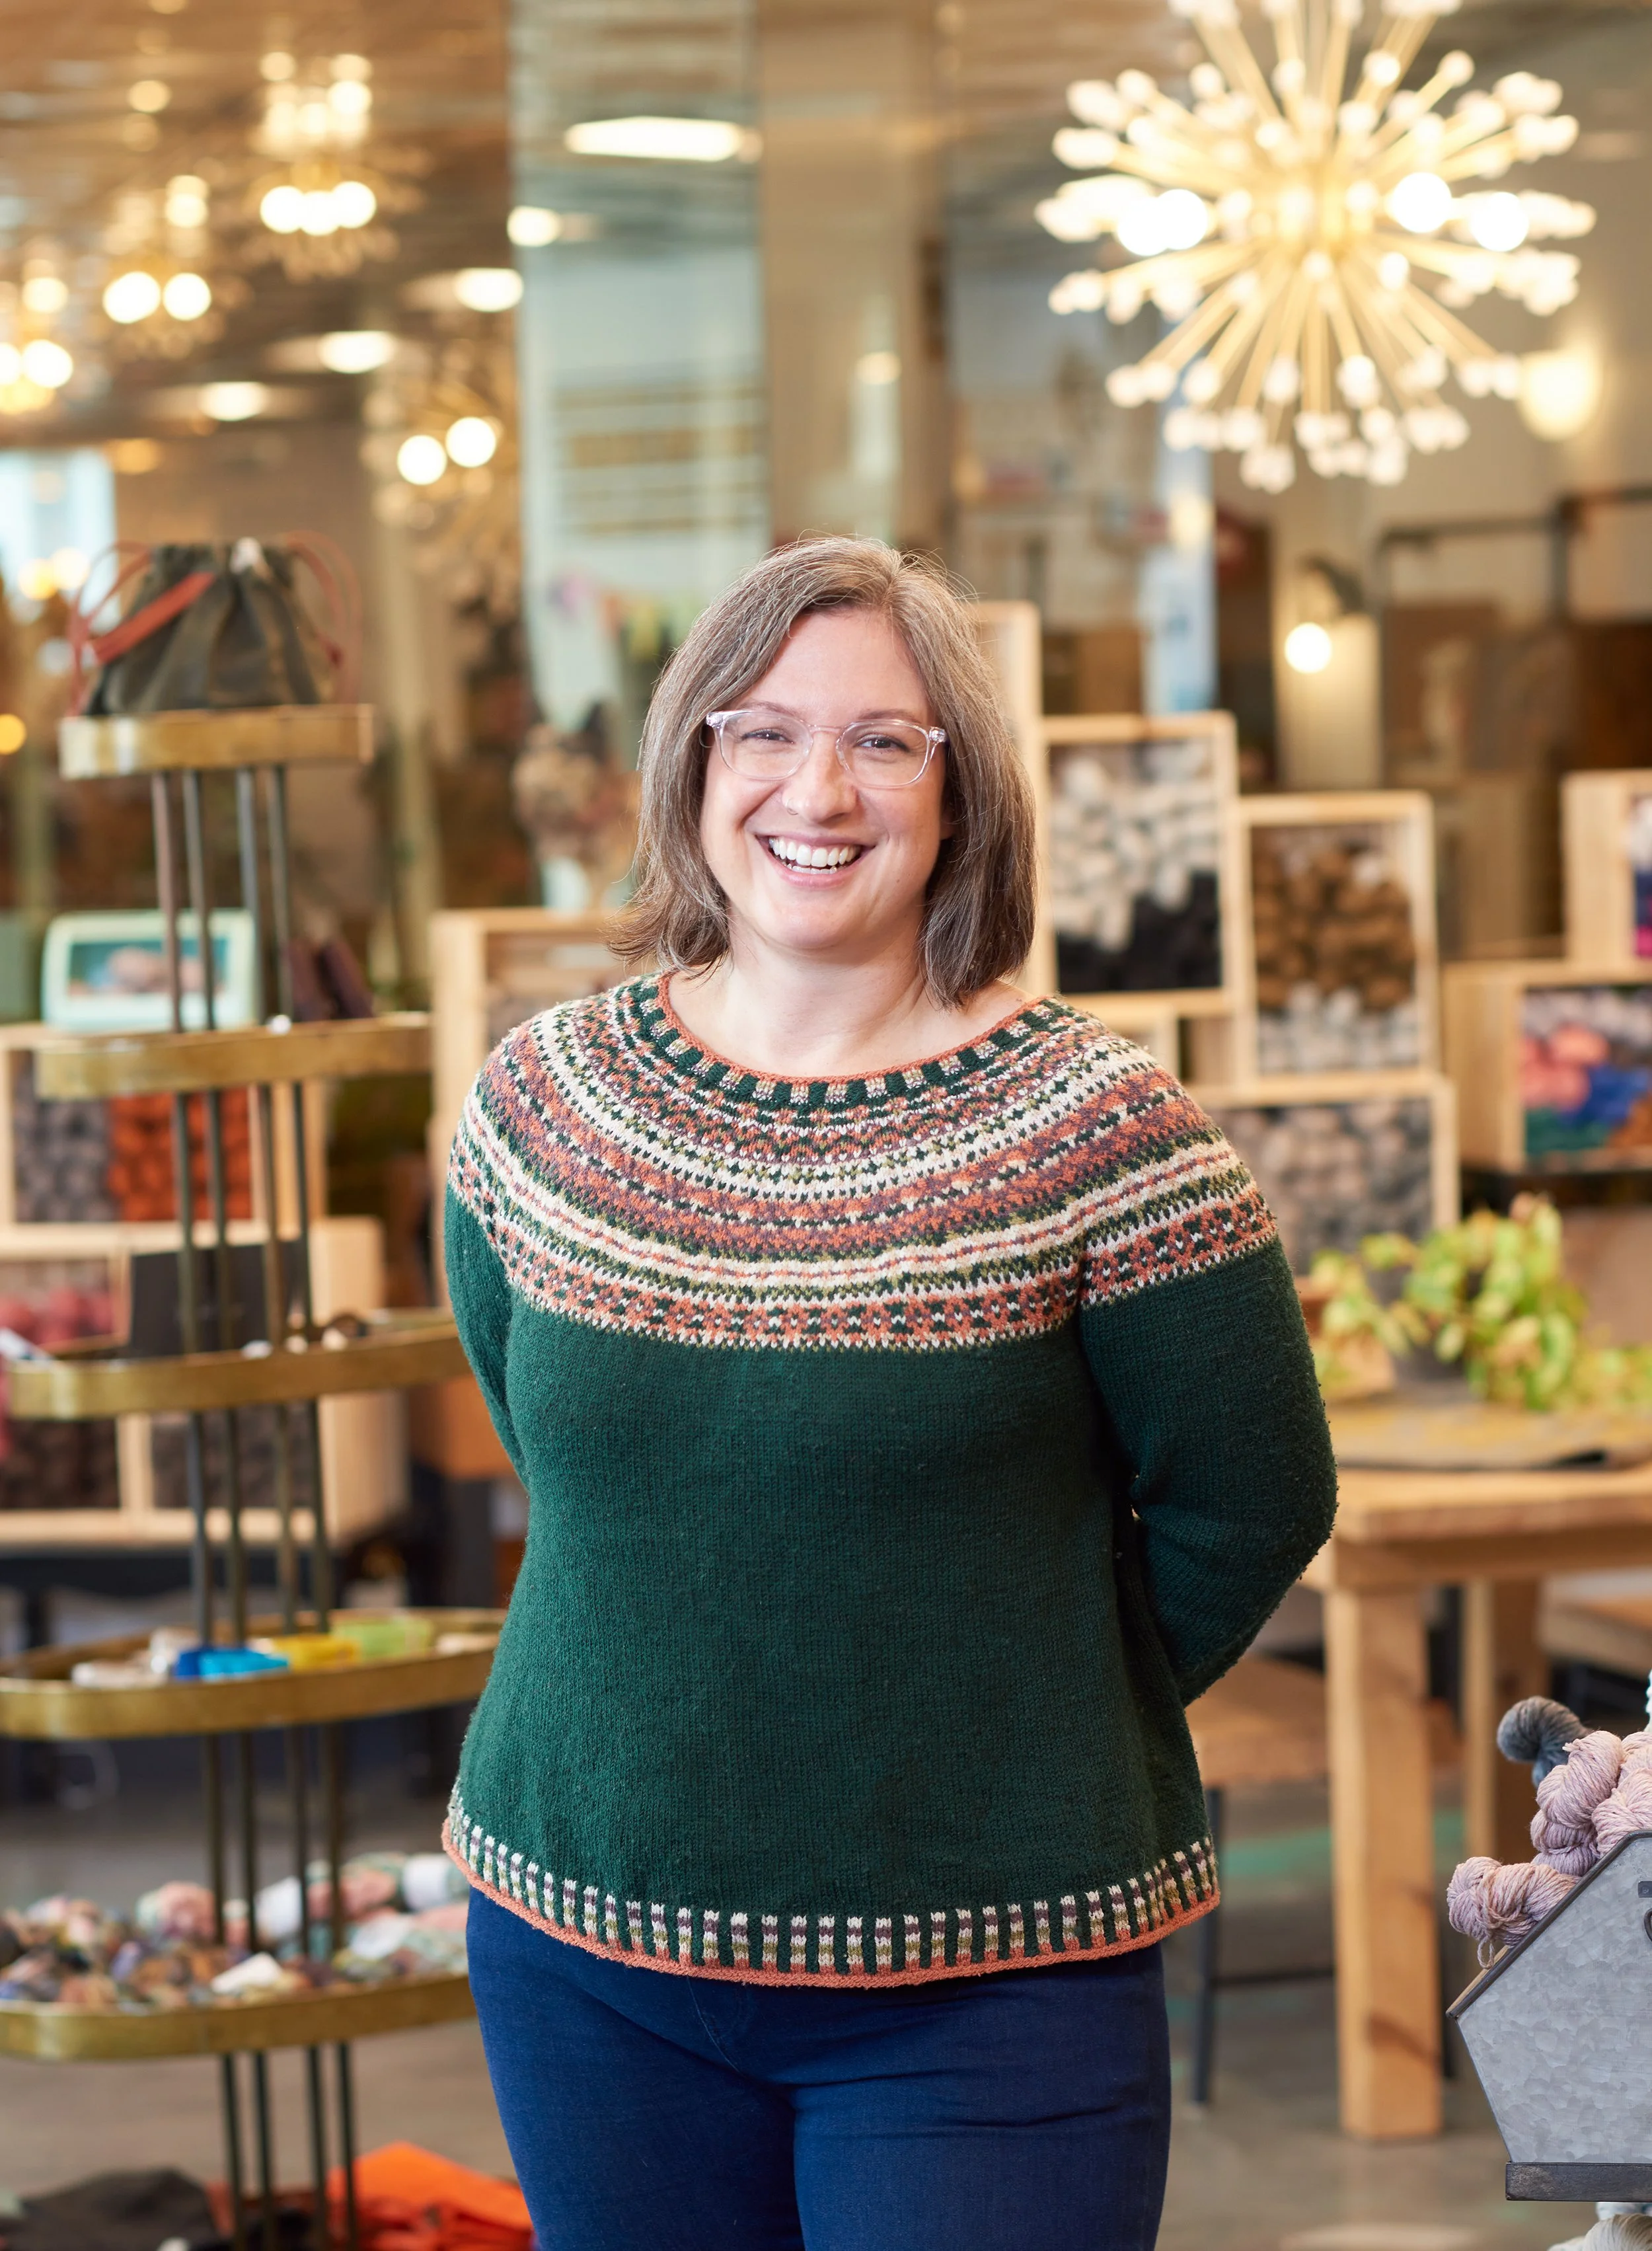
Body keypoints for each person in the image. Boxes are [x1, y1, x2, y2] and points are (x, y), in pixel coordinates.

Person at [444, 537, 1337, 2251]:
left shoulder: (1102, 1130)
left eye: (881, 739)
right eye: (758, 730)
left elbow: (1251, 1496)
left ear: (959, 794)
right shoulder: (539, 1101)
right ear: (691, 768)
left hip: (986, 1975)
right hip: (581, 1946)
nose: (815, 787)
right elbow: (560, 1445)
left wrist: (1026, 1698)